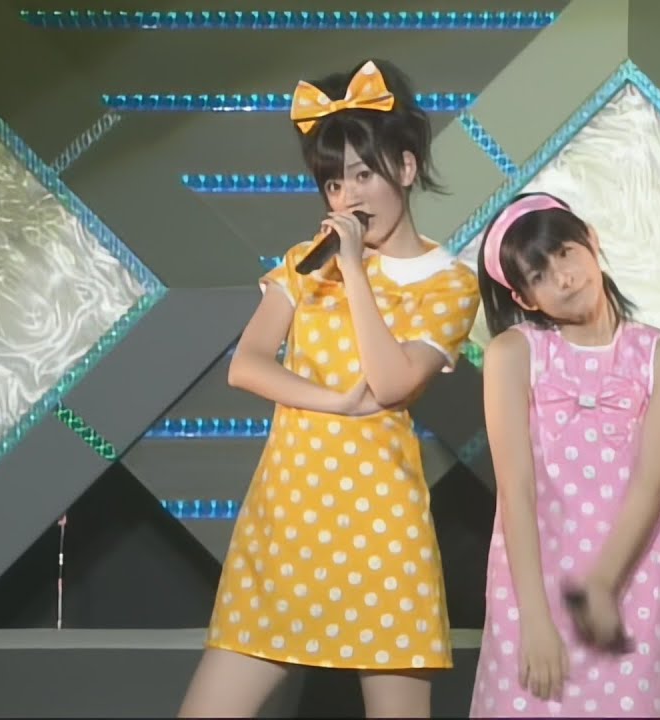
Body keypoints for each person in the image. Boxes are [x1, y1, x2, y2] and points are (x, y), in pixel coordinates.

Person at [178, 59, 480, 718]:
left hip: (381, 529)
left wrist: (356, 271)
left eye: (364, 175)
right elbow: (247, 364)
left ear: (406, 168)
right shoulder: (303, 265)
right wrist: (333, 401)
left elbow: (392, 381)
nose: (348, 198)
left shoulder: (450, 282)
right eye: (334, 183)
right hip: (285, 520)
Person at [468, 193, 660, 717]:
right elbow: (516, 490)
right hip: (530, 590)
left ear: (591, 240)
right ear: (524, 298)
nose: (564, 277)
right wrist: (534, 618)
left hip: (629, 587)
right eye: (540, 275)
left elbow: (651, 483)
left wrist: (600, 586)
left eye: (566, 253)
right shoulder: (513, 354)